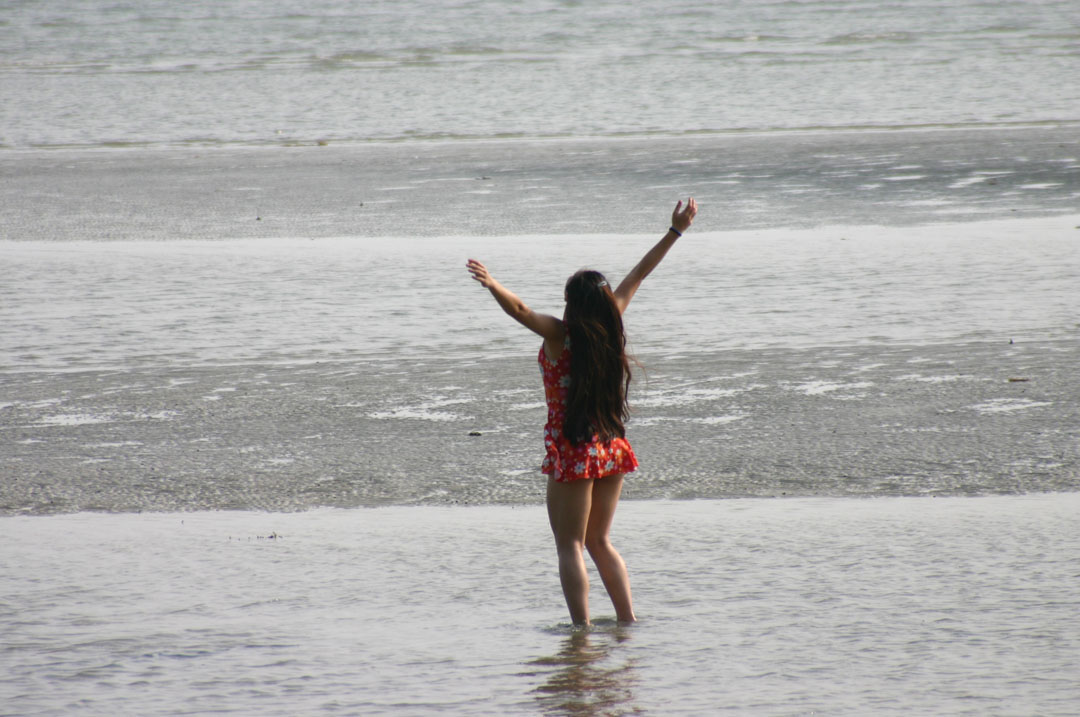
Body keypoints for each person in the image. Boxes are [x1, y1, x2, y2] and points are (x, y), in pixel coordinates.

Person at [466, 198, 698, 626]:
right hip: (610, 446)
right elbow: (640, 274)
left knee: (570, 544)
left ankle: (582, 634)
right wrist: (676, 231)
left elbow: (520, 311)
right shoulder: (612, 324)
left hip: (574, 450)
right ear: (605, 301)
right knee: (600, 541)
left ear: (571, 305)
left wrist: (492, 283)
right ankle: (627, 622)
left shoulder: (561, 335)